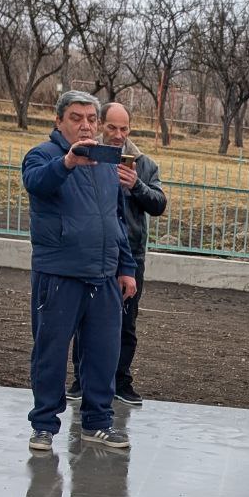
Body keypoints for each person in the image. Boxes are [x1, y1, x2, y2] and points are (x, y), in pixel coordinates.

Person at [23, 91, 136, 454]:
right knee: (51, 354)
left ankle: (97, 423)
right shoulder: (43, 155)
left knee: (103, 353)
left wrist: (126, 268)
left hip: (103, 276)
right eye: (76, 117)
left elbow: (116, 220)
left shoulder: (106, 163)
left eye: (90, 118)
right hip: (60, 275)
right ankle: (43, 426)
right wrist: (68, 163)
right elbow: (37, 183)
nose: (85, 124)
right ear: (59, 121)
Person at [68, 101, 167, 406]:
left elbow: (159, 204)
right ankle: (81, 381)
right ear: (100, 125)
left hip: (131, 255)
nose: (118, 134)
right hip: (94, 252)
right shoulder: (87, 156)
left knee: (126, 322)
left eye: (124, 128)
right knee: (87, 319)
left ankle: (121, 381)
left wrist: (137, 185)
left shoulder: (144, 164)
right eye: (112, 127)